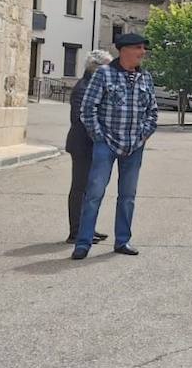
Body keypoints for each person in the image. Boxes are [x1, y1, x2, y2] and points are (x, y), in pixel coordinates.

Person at [71, 33, 159, 260]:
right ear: (124, 50)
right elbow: (87, 109)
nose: (143, 52)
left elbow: (152, 112)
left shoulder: (145, 78)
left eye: (143, 48)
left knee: (127, 196)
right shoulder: (104, 74)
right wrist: (99, 137)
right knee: (94, 194)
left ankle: (123, 241)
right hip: (106, 145)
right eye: (138, 48)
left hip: (134, 145)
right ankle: (83, 243)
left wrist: (144, 135)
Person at [65, 49, 114, 245]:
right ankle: (76, 232)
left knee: (90, 189)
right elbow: (81, 118)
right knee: (80, 188)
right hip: (82, 145)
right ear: (96, 68)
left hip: (91, 145)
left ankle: (87, 228)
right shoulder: (83, 88)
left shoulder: (93, 85)